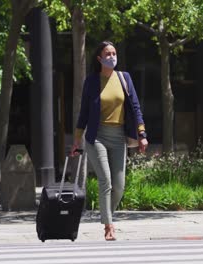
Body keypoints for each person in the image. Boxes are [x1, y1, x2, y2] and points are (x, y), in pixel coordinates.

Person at [71, 41, 148, 241]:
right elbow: (84, 113)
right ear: (99, 58)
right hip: (97, 136)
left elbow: (136, 107)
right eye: (108, 53)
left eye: (114, 53)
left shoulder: (124, 78)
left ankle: (106, 215)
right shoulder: (92, 81)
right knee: (105, 179)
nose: (112, 56)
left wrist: (142, 134)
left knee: (119, 186)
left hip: (119, 137)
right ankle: (109, 226)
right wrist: (77, 139)